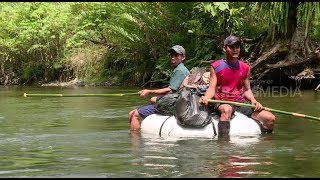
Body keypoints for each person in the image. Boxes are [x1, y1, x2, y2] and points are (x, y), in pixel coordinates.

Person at [199, 35, 276, 137]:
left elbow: (247, 89)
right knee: (227, 110)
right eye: (231, 47)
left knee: (270, 118)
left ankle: (265, 144)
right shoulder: (216, 66)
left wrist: (254, 101)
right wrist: (206, 97)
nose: (235, 50)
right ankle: (223, 145)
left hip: (240, 102)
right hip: (222, 100)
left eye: (237, 47)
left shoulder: (245, 68)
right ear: (224, 48)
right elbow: (212, 88)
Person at [129, 45, 190, 131]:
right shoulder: (181, 69)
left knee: (133, 114)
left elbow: (169, 90)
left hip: (173, 104)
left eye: (176, 55)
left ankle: (134, 140)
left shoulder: (180, 70)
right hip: (178, 101)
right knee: (153, 99)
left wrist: (149, 91)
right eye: (172, 55)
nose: (173, 58)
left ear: (183, 57)